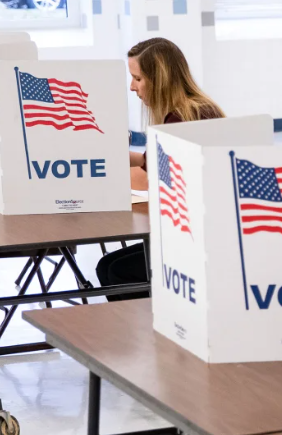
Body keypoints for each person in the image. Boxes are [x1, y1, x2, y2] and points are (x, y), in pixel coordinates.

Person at [96, 38, 224, 301]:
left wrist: (96, 175)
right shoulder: (195, 109)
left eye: (138, 79)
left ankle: (149, 331)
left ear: (160, 80)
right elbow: (149, 162)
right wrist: (109, 158)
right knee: (109, 267)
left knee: (115, 272)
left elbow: (152, 178)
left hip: (200, 240)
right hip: (203, 232)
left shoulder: (180, 121)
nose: (132, 87)